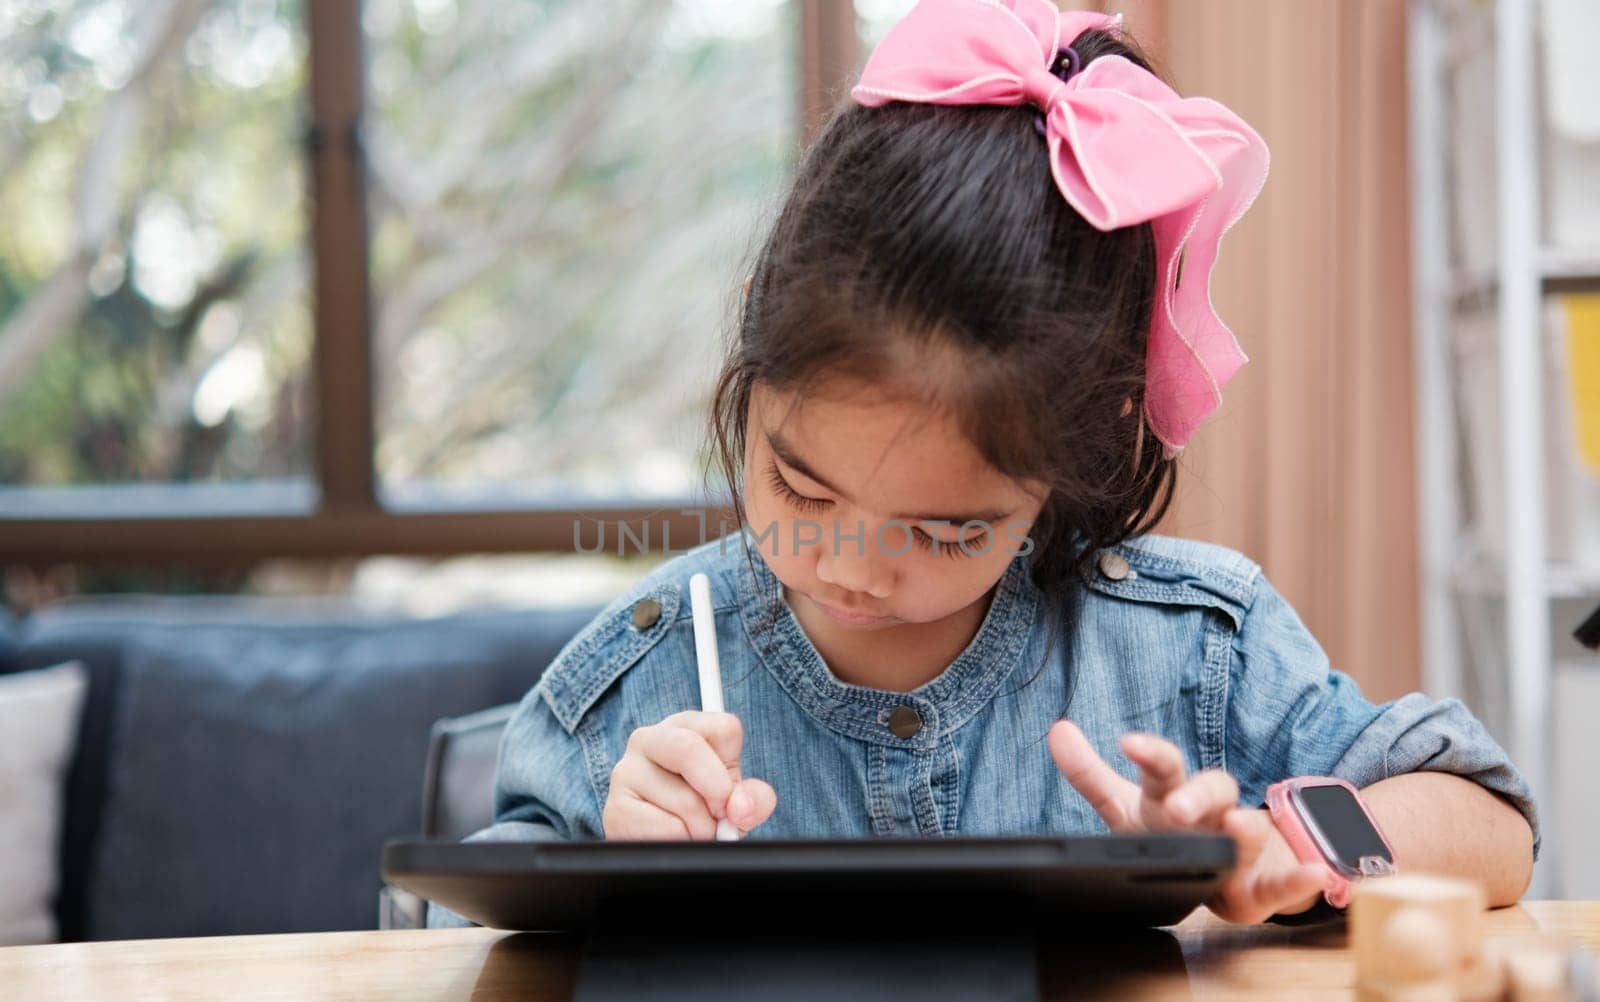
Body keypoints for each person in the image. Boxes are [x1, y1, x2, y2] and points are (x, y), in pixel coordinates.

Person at [431, 0, 1535, 927]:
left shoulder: (1189, 650)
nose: (852, 563)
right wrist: (613, 865)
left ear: (1066, 468)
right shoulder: (645, 674)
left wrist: (1291, 850)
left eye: (943, 529)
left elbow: (1490, 826)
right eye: (802, 487)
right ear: (749, 379)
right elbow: (444, 921)